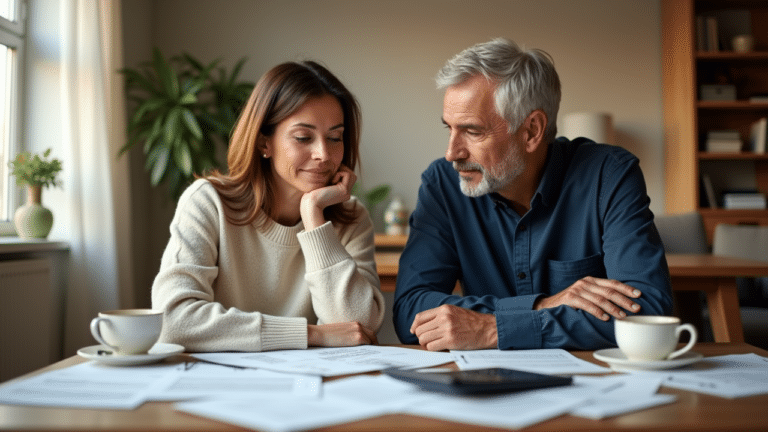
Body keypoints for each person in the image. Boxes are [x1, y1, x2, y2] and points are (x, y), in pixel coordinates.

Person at [393, 38, 672, 351]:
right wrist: (542, 306)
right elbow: (410, 309)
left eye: (472, 131)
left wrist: (492, 330)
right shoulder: (443, 184)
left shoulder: (608, 175)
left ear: (531, 131)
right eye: (449, 128)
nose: (451, 153)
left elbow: (647, 311)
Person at [152, 61, 385, 352]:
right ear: (265, 142)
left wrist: (313, 216)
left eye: (335, 137)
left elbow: (356, 326)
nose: (323, 154)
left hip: (313, 387)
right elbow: (173, 321)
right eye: (303, 138)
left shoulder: (351, 218)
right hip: (219, 387)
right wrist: (311, 335)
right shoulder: (207, 203)